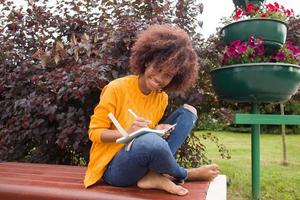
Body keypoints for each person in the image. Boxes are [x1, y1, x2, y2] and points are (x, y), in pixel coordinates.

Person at [84, 24, 219, 196]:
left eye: (168, 75)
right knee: (150, 142)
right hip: (114, 168)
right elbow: (94, 133)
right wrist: (127, 133)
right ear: (147, 61)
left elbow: (148, 134)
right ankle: (185, 174)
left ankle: (153, 175)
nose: (160, 79)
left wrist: (156, 129)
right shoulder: (116, 89)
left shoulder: (161, 98)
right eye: (158, 68)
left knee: (187, 113)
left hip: (143, 155)